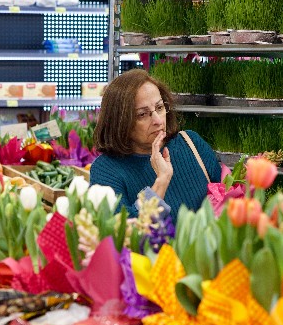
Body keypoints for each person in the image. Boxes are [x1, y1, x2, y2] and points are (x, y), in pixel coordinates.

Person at [90, 69, 221, 220]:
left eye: (159, 108)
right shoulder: (106, 170)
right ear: (120, 122)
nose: (158, 120)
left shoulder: (191, 143)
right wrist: (161, 181)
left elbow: (226, 200)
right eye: (142, 114)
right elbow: (125, 234)